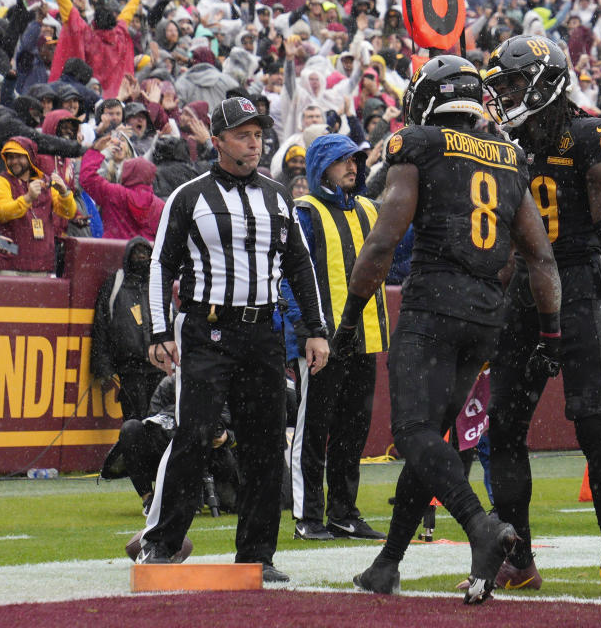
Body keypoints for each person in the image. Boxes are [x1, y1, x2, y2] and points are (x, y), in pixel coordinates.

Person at [342, 55, 562, 604]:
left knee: (414, 433)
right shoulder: (510, 156)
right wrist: (553, 334)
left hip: (433, 304)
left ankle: (480, 527)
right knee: (430, 444)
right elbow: (539, 259)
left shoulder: (419, 143)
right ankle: (387, 563)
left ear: (431, 99)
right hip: (486, 314)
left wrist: (350, 315)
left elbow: (383, 239)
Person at [138, 97, 330, 586]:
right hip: (207, 328)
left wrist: (315, 329)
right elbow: (161, 264)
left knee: (266, 445)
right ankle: (161, 544)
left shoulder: (278, 197)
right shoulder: (189, 196)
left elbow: (300, 265)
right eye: (243, 134)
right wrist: (160, 330)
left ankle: (256, 554)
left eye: (258, 133)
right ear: (217, 141)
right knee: (196, 433)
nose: (254, 141)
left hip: (264, 331)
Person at [482, 35, 601, 595]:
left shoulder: (589, 135)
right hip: (524, 292)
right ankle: (520, 557)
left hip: (577, 284)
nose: (503, 95)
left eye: (510, 83)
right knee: (503, 429)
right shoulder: (503, 143)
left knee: (590, 424)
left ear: (544, 78)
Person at [288, 133, 389, 541]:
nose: (353, 166)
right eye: (343, 160)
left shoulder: (370, 208)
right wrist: (307, 331)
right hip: (322, 341)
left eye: (357, 160)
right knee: (312, 430)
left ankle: (344, 512)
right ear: (320, 167)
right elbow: (290, 277)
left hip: (365, 338)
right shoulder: (304, 212)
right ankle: (307, 516)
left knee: (353, 430)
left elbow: (396, 258)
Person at [100, 374, 240, 516]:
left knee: (235, 505)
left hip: (211, 455)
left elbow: (239, 429)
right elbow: (153, 426)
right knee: (131, 429)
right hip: (169, 453)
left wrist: (227, 437)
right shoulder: (167, 385)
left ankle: (202, 491)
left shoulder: (219, 386)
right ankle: (150, 499)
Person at [91, 237, 166, 421]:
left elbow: (172, 321)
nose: (141, 257)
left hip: (158, 367)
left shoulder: (158, 284)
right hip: (129, 368)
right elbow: (101, 326)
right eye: (137, 253)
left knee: (157, 422)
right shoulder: (115, 283)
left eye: (145, 253)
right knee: (134, 420)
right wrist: (102, 365)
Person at [0, 136, 76, 275]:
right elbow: (0, 214)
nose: (14, 161)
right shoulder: (0, 181)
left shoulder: (45, 181)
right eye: (10, 157)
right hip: (8, 263)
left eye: (19, 157)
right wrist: (27, 198)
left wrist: (64, 193)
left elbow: (68, 213)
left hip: (41, 264)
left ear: (30, 157)